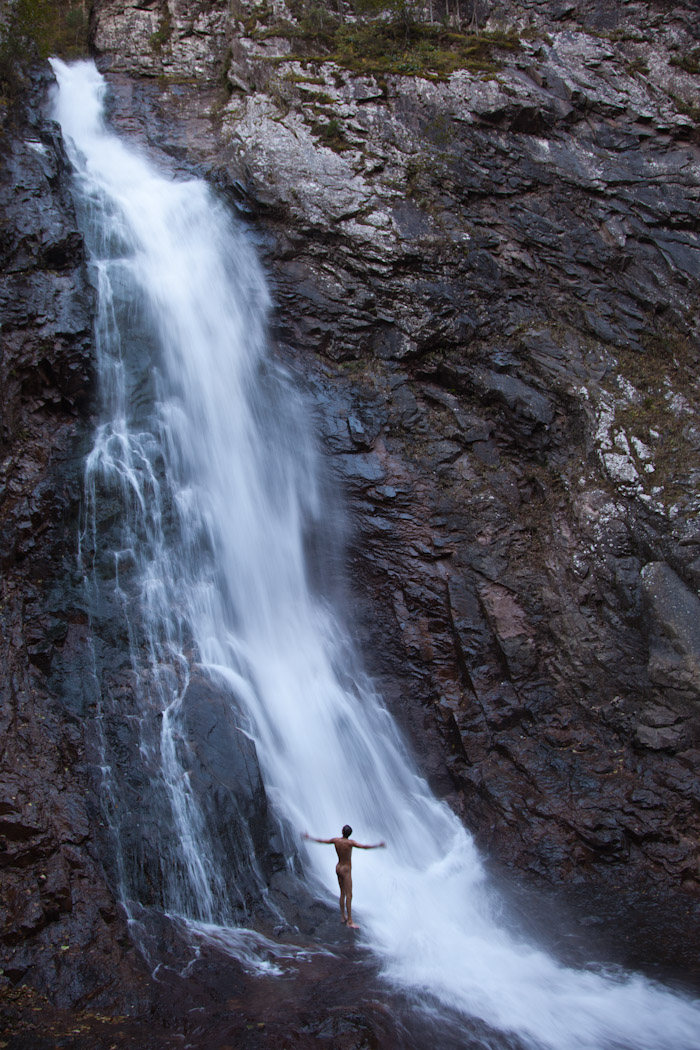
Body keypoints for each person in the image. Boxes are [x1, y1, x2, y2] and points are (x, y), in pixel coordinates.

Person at [303, 825, 386, 929]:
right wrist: (378, 845)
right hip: (346, 870)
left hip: (338, 867)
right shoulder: (350, 843)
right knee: (349, 895)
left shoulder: (336, 840)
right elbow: (364, 847)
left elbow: (321, 841)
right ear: (350, 834)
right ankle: (350, 921)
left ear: (342, 832)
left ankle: (343, 917)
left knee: (342, 893)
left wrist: (309, 837)